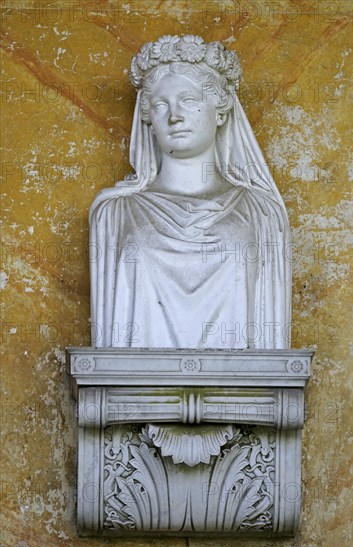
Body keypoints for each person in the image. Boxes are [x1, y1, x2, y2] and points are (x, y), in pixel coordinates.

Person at [89, 35, 291, 349]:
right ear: (148, 119)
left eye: (188, 100)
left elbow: (273, 345)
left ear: (220, 110)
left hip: (245, 394)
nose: (174, 116)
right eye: (160, 105)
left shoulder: (262, 213)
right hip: (131, 393)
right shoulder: (113, 214)